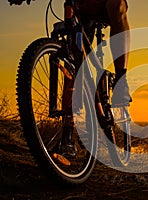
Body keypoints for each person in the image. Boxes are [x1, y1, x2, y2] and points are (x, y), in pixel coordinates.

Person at [9, 0, 131, 158]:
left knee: (117, 5)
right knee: (72, 61)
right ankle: (67, 137)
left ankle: (121, 79)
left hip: (103, 5)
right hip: (78, 7)